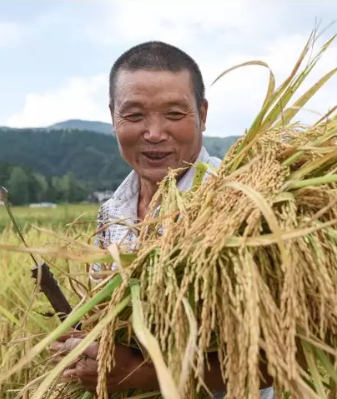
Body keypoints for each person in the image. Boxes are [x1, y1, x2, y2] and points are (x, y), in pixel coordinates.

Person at [48, 41, 275, 398]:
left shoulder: (240, 203)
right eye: (135, 116)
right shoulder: (112, 214)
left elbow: (273, 361)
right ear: (113, 117)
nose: (154, 133)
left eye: (173, 114)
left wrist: (143, 375)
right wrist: (86, 346)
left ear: (202, 112)